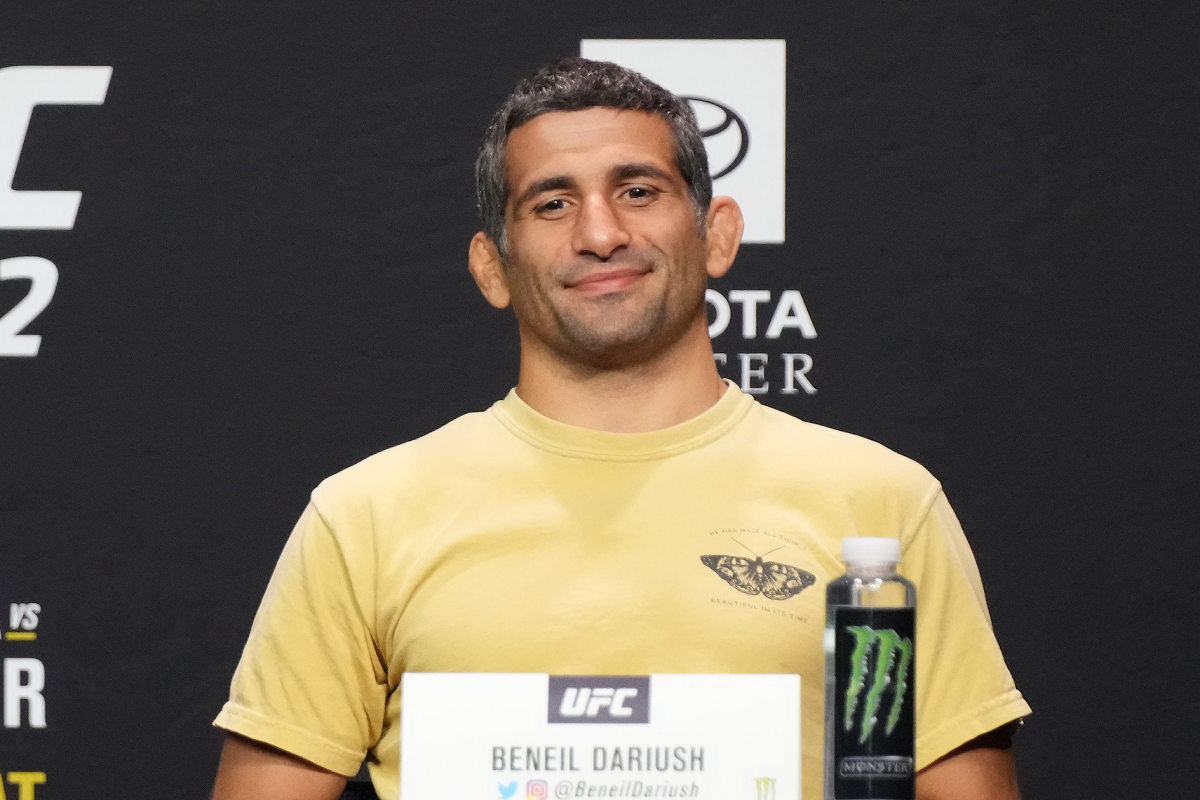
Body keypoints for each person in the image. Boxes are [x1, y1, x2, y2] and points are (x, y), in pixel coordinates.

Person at [211, 57, 1030, 800]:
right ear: (492, 267)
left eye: (638, 192)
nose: (601, 234)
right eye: (553, 203)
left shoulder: (880, 505)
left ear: (718, 234)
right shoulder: (365, 517)